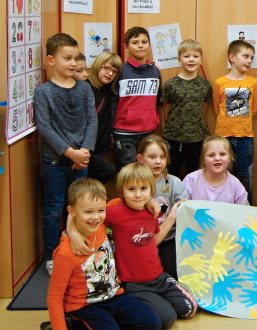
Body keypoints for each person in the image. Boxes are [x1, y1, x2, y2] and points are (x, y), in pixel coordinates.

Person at [69, 163, 198, 329]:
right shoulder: (115, 212)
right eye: (131, 189)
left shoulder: (151, 210)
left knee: (189, 309)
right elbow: (80, 211)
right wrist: (72, 232)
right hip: (134, 284)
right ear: (122, 191)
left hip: (159, 277)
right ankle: (140, 305)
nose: (138, 195)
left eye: (143, 189)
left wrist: (171, 216)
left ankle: (154, 301)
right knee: (167, 319)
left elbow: (153, 240)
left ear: (151, 190)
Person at [46, 178, 161, 330]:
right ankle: (72, 323)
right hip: (84, 306)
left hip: (115, 296)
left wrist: (150, 201)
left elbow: (126, 200)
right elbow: (54, 297)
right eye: (88, 212)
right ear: (72, 212)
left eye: (101, 210)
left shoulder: (101, 224)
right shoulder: (65, 253)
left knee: (153, 323)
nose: (96, 217)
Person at [34, 33, 97, 276]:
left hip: (81, 158)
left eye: (75, 58)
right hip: (55, 160)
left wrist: (85, 152)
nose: (73, 63)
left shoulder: (84, 88)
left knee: (80, 207)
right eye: (67, 58)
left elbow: (92, 120)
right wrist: (71, 154)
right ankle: (52, 255)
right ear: (51, 60)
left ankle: (78, 250)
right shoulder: (44, 92)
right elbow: (45, 128)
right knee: (54, 208)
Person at [212, 40, 257, 201]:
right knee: (222, 175)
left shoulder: (253, 82)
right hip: (223, 137)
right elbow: (217, 109)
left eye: (251, 58)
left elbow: (254, 109)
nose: (249, 61)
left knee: (245, 176)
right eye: (246, 56)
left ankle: (245, 208)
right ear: (232, 57)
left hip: (246, 137)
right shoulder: (219, 82)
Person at [136, 134, 188, 280]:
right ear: (140, 159)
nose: (158, 161)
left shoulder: (174, 182)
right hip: (142, 240)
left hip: (169, 239)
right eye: (152, 157)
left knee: (171, 274)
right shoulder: (134, 183)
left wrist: (184, 205)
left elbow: (185, 210)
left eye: (162, 157)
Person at [161, 39, 212, 179]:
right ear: (179, 60)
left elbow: (204, 110)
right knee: (171, 174)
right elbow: (166, 111)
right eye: (186, 56)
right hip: (173, 137)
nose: (191, 60)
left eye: (195, 56)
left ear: (201, 60)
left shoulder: (205, 85)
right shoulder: (170, 84)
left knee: (195, 175)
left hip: (197, 138)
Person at [112, 27, 162, 169]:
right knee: (129, 174)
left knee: (148, 173)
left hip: (148, 133)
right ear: (126, 47)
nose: (140, 46)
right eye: (135, 42)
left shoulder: (155, 71)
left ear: (149, 45)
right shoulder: (120, 71)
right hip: (124, 134)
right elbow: (112, 103)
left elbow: (158, 100)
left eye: (144, 42)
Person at [87, 51, 122, 185]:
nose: (110, 73)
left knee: (91, 186)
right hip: (82, 148)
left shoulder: (109, 89)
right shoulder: (86, 87)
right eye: (106, 68)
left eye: (114, 71)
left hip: (99, 146)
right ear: (98, 65)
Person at [182, 136, 249, 205]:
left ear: (229, 158)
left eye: (222, 154)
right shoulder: (191, 180)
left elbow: (244, 210)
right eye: (211, 155)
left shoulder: (235, 185)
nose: (217, 158)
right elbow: (182, 208)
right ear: (203, 160)